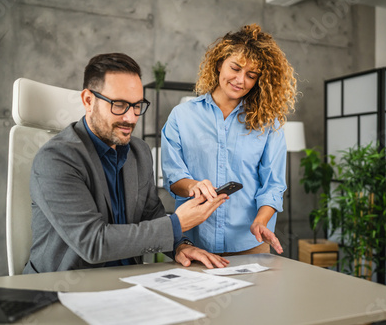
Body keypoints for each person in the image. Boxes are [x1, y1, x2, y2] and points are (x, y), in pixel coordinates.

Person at [24, 53, 230, 274]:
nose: (131, 118)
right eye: (119, 105)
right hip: (63, 289)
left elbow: (151, 215)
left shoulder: (138, 152)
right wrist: (176, 224)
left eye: (137, 106)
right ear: (88, 100)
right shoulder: (56, 159)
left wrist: (181, 246)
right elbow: (93, 243)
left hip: (129, 283)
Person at [161, 24, 297, 255]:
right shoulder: (182, 116)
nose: (240, 80)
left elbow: (273, 185)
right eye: (235, 68)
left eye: (251, 75)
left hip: (250, 241)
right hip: (193, 243)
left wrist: (261, 222)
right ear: (218, 64)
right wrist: (193, 186)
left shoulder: (268, 123)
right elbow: (173, 178)